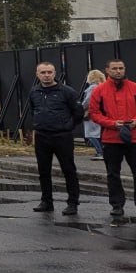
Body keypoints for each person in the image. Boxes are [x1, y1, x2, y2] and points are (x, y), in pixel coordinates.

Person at [26, 61, 83, 215]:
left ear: (55, 73)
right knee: (43, 171)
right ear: (37, 74)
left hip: (62, 136)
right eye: (43, 72)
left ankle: (72, 203)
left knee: (68, 170)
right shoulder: (34, 92)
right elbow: (33, 110)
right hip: (42, 136)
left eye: (49, 72)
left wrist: (68, 126)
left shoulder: (67, 91)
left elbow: (78, 112)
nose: (46, 75)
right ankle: (46, 201)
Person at [88, 59, 136, 217]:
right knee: (113, 174)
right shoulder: (99, 90)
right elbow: (94, 113)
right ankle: (117, 205)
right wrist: (111, 123)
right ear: (107, 70)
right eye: (114, 68)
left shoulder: (134, 87)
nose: (118, 71)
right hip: (111, 138)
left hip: (134, 138)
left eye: (121, 68)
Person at [82, 69, 106, 160]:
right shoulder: (103, 86)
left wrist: (81, 107)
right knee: (98, 133)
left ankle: (100, 152)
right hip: (100, 112)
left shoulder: (92, 87)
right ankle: (102, 151)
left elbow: (88, 100)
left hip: (91, 112)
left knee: (91, 134)